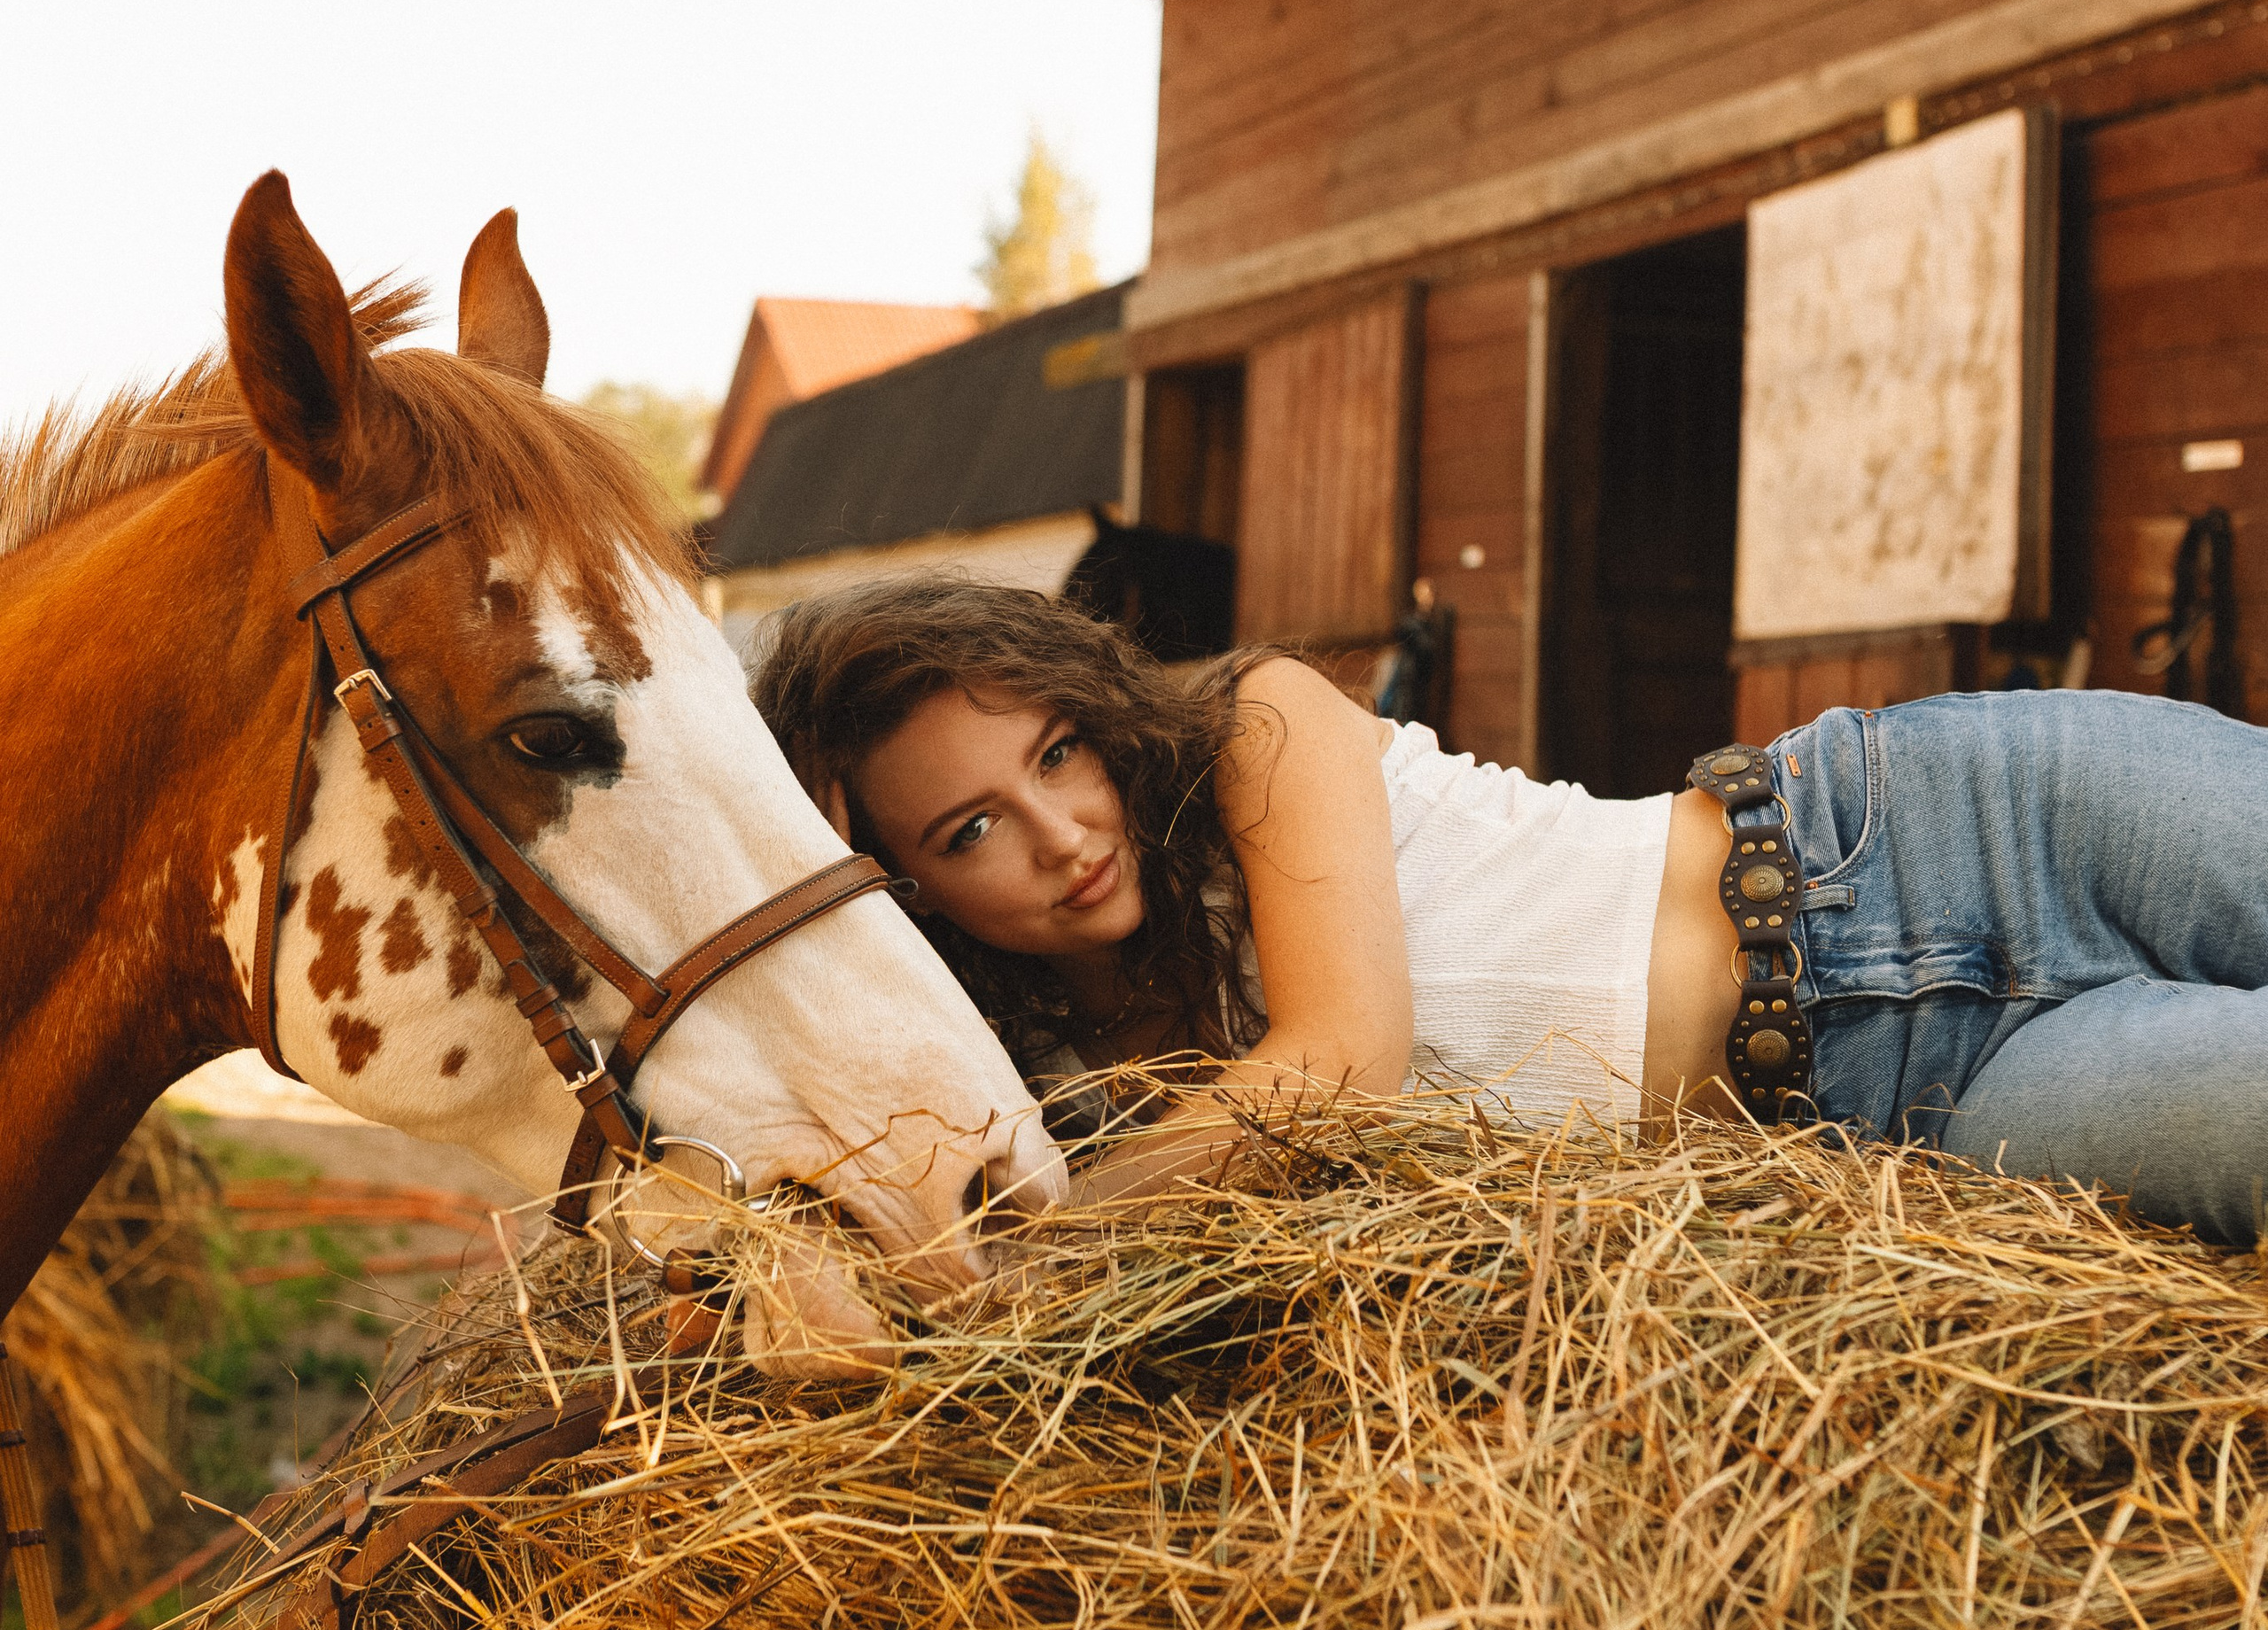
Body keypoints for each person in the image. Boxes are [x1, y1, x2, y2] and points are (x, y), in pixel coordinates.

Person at [752, 578, 2268, 1245]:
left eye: (1057, 752)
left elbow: (1340, 1066)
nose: (1060, 830)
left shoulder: (1253, 735)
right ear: (911, 893)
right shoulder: (1081, 1099)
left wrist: (1013, 1249)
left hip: (1961, 824)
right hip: (1913, 1099)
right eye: (971, 831)